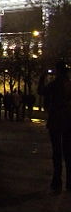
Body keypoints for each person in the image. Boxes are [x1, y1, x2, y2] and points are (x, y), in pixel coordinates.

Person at [38, 61, 71, 192]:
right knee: (68, 151)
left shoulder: (54, 84)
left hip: (56, 120)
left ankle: (57, 181)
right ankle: (69, 182)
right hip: (69, 119)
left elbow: (41, 91)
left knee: (57, 151)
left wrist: (42, 77)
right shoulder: (69, 84)